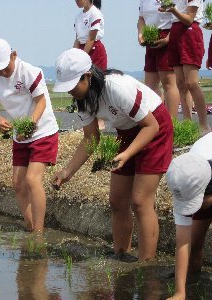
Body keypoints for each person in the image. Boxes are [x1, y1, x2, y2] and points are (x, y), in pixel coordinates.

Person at [52, 49, 173, 260]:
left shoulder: (116, 87)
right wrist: (67, 172)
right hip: (127, 133)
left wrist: (126, 154)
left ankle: (146, 264)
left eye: (73, 86)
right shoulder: (82, 100)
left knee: (140, 200)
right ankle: (121, 254)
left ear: (88, 76)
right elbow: (91, 138)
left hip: (155, 127)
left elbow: (151, 126)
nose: (70, 92)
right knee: (117, 201)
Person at [0, 38, 59, 232]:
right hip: (20, 134)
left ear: (13, 55)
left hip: (42, 130)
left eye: (4, 67)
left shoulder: (29, 72)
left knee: (32, 180)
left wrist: (31, 124)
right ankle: (30, 225)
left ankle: (39, 233)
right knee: (17, 183)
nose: (2, 73)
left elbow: (41, 102)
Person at [166, 134, 212, 300]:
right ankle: (192, 282)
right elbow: (183, 243)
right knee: (194, 241)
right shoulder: (183, 177)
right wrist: (179, 292)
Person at [160, 0, 211, 134]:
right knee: (181, 83)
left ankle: (204, 125)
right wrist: (166, 9)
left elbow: (189, 19)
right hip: (176, 31)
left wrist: (173, 10)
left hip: (190, 32)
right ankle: (188, 124)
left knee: (192, 83)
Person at [137, 0, 181, 118]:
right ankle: (160, 121)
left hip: (167, 35)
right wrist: (141, 35)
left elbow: (179, 18)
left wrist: (168, 38)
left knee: (168, 82)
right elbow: (141, 19)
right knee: (150, 85)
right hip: (150, 35)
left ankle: (172, 122)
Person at [73, 0, 107, 70]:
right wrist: (74, 55)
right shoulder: (78, 16)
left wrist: (82, 57)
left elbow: (91, 39)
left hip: (94, 50)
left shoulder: (95, 13)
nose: (77, 1)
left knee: (96, 79)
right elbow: (77, 39)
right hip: (82, 49)